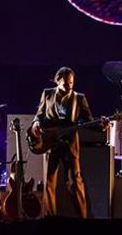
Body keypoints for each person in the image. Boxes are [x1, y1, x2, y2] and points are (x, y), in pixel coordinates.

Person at [29, 67, 104, 218]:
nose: (69, 85)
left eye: (71, 82)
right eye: (65, 83)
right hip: (50, 142)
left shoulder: (79, 98)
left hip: (70, 143)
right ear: (57, 81)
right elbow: (39, 115)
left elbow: (89, 121)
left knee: (75, 181)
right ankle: (50, 218)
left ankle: (82, 218)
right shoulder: (47, 93)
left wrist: (102, 125)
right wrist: (36, 124)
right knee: (49, 182)